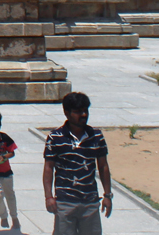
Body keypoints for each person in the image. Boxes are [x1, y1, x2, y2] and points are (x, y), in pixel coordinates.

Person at [43, 91, 111, 235]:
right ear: (67, 113)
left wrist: (107, 195)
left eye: (85, 111)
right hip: (65, 202)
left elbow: (103, 166)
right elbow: (49, 168)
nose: (84, 115)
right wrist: (49, 197)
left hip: (90, 202)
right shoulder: (55, 137)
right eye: (78, 111)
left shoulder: (96, 136)